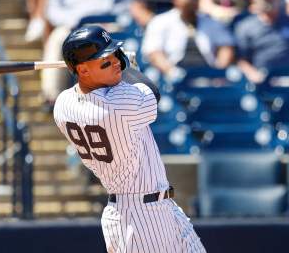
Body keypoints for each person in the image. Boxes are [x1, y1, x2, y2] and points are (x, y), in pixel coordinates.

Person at [54, 25, 206, 253]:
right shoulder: (117, 104)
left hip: (154, 208)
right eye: (106, 60)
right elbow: (152, 92)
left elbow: (85, 89)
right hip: (139, 218)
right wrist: (129, 65)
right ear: (83, 70)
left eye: (116, 54)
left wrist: (108, 65)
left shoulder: (63, 104)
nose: (115, 62)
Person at [142, 0, 235, 83]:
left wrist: (218, 72)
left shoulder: (211, 22)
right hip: (175, 75)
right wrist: (171, 71)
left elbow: (226, 47)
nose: (191, 1)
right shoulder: (159, 21)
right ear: (175, 0)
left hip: (207, 74)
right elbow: (154, 53)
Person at [234, 0, 289, 83]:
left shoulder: (286, 22)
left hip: (286, 75)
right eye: (266, 0)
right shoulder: (245, 26)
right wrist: (252, 73)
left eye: (272, 0)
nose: (269, 3)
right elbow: (240, 58)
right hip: (261, 77)